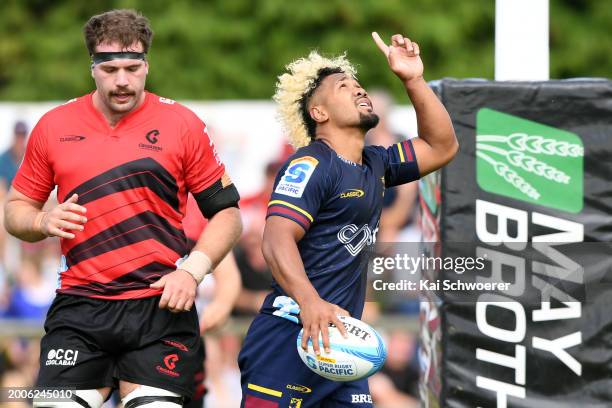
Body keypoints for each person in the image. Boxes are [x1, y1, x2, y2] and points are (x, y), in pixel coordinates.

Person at [3, 9, 242, 408]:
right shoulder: (53, 125)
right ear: (92, 68)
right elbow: (15, 209)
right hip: (80, 308)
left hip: (160, 306)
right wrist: (42, 220)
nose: (122, 80)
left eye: (132, 68)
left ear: (146, 65)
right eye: (110, 68)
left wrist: (192, 272)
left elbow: (228, 215)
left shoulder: (182, 124)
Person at [238, 32, 458, 407]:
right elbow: (275, 240)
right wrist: (310, 303)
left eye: (359, 86)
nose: (359, 91)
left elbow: (442, 146)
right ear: (318, 113)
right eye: (344, 86)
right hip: (288, 340)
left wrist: (413, 79)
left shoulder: (376, 164)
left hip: (340, 350)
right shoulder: (311, 163)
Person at [0, 121, 28, 191]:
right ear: (14, 135)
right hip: (8, 198)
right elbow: (1, 187)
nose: (20, 139)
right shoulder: (3, 159)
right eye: (18, 135)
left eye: (23, 135)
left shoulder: (31, 158)